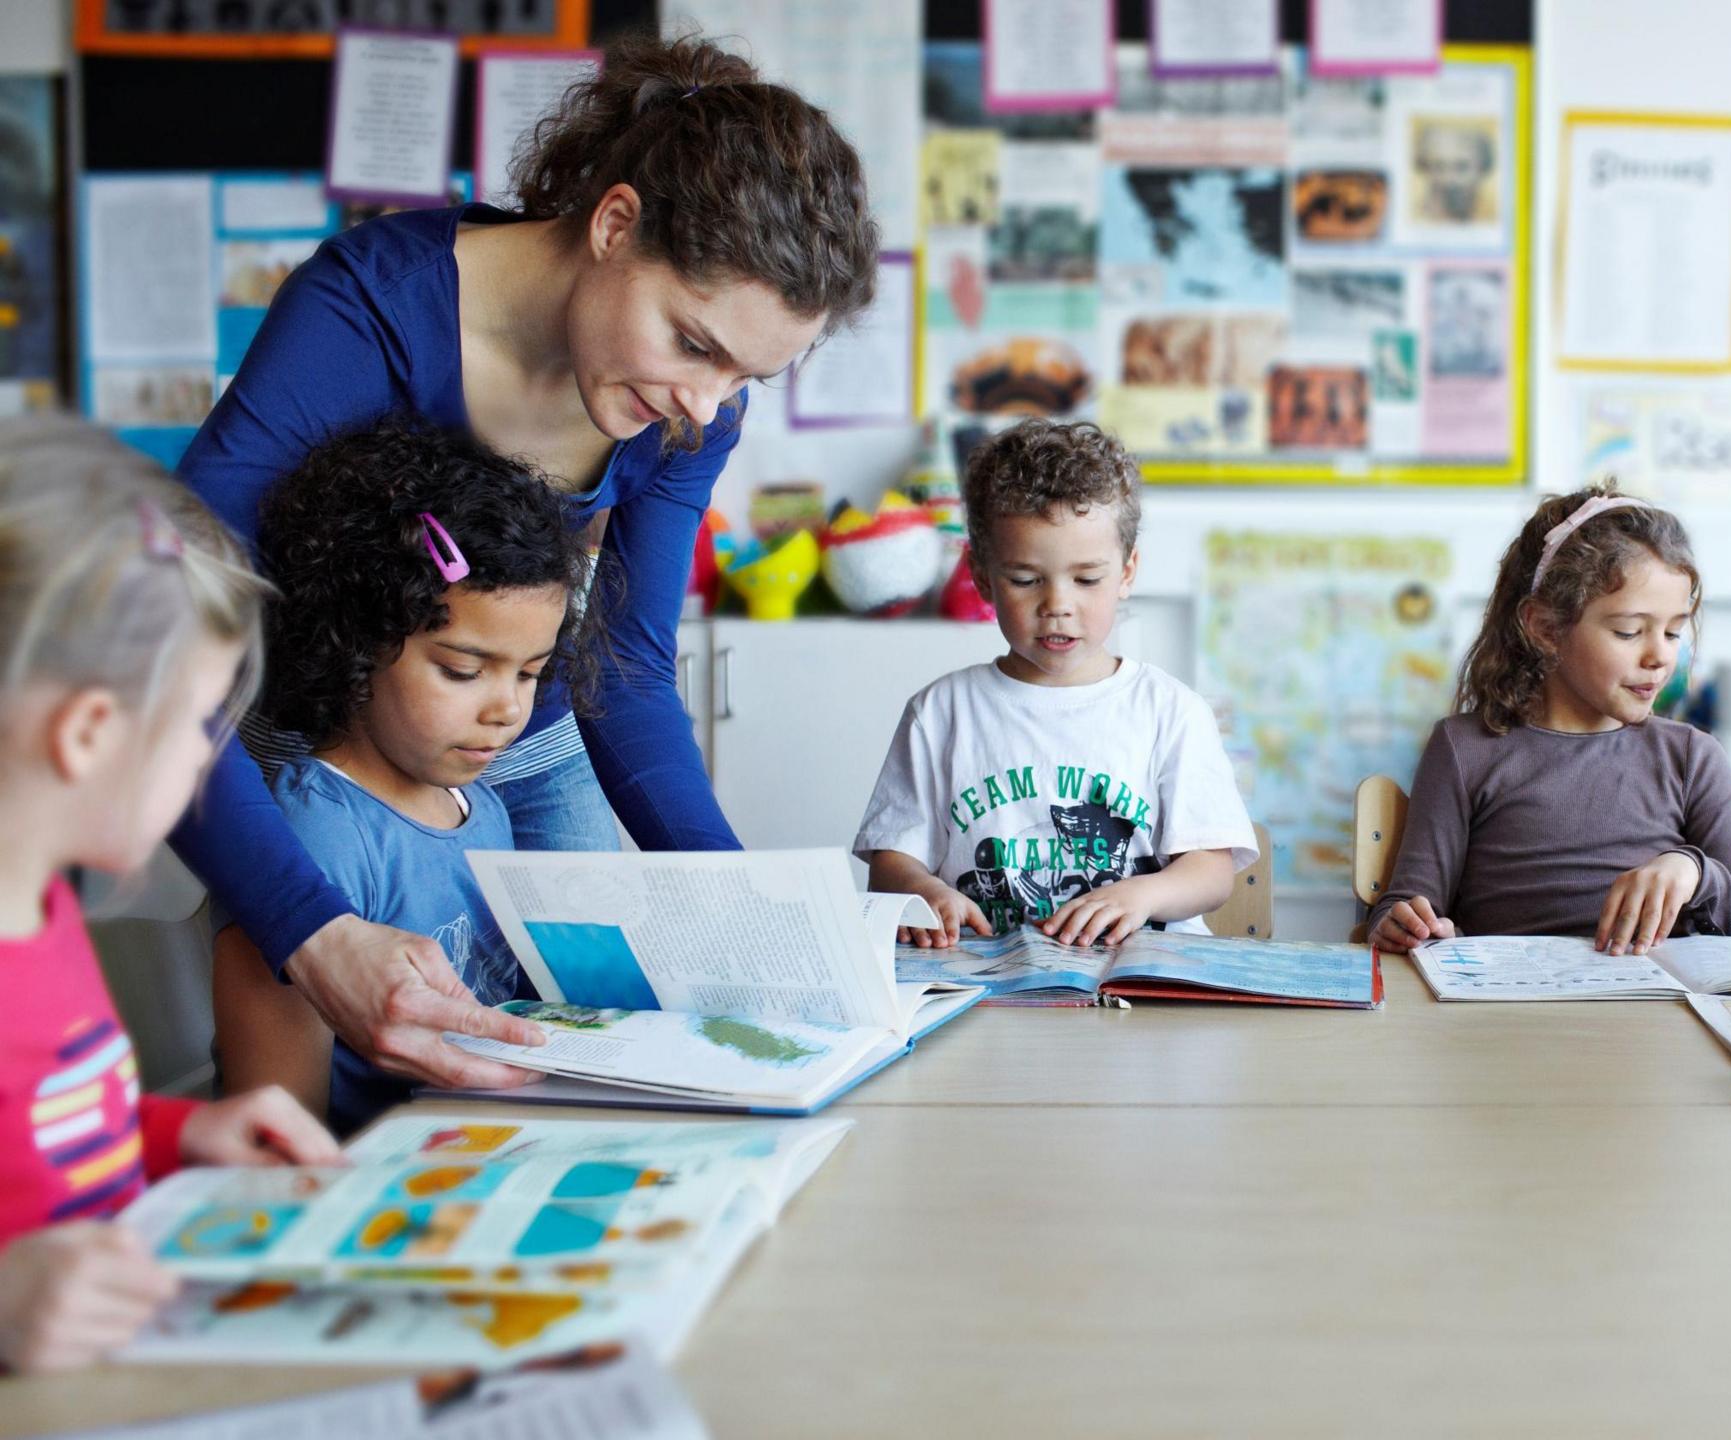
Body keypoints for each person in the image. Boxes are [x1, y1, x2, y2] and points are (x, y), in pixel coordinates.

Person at [170, 33, 881, 1091]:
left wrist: (753, 920)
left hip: (530, 730)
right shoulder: (366, 307)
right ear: (615, 224)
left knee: (585, 1056)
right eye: (692, 343)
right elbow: (172, 637)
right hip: (310, 715)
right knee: (328, 1030)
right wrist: (311, 932)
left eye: (745, 377)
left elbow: (625, 670)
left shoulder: (692, 412)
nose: (706, 407)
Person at [0, 420, 339, 1373]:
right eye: (201, 722)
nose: (208, 757)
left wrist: (180, 1133)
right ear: (88, 733)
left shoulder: (44, 909)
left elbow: (52, 1138)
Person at [213, 419, 606, 1133]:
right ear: (360, 642)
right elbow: (275, 1132)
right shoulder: (315, 832)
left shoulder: (480, 805)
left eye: (530, 674)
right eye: (462, 671)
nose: (506, 709)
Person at [856, 421, 1256, 947]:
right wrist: (921, 891)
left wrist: (1141, 896)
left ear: (1127, 571)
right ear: (982, 577)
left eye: (1087, 579)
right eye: (1024, 580)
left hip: (1137, 989)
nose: (1057, 605)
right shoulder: (941, 712)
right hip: (987, 988)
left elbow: (1211, 870)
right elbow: (890, 862)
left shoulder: (1170, 710)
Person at [1368, 484, 1731, 953]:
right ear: (1546, 628)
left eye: (1673, 632)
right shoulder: (1464, 748)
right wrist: (1409, 926)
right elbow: (1405, 907)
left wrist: (1694, 871)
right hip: (1509, 1014)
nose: (1659, 656)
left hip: (1654, 1017)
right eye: (1629, 631)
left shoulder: (1691, 757)